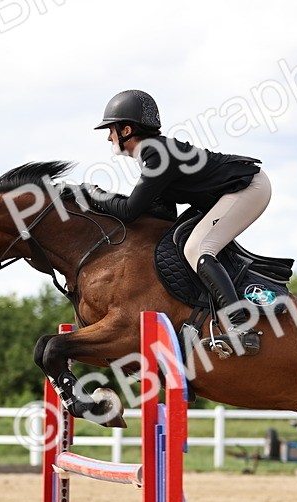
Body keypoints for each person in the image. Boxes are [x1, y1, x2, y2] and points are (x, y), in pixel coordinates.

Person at [80, 89, 271, 356]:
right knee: (187, 243)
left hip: (248, 188)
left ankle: (241, 328)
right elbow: (161, 213)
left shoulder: (157, 154)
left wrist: (94, 194)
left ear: (126, 130)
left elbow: (130, 210)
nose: (108, 136)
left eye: (111, 129)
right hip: (234, 191)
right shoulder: (154, 153)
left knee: (197, 248)